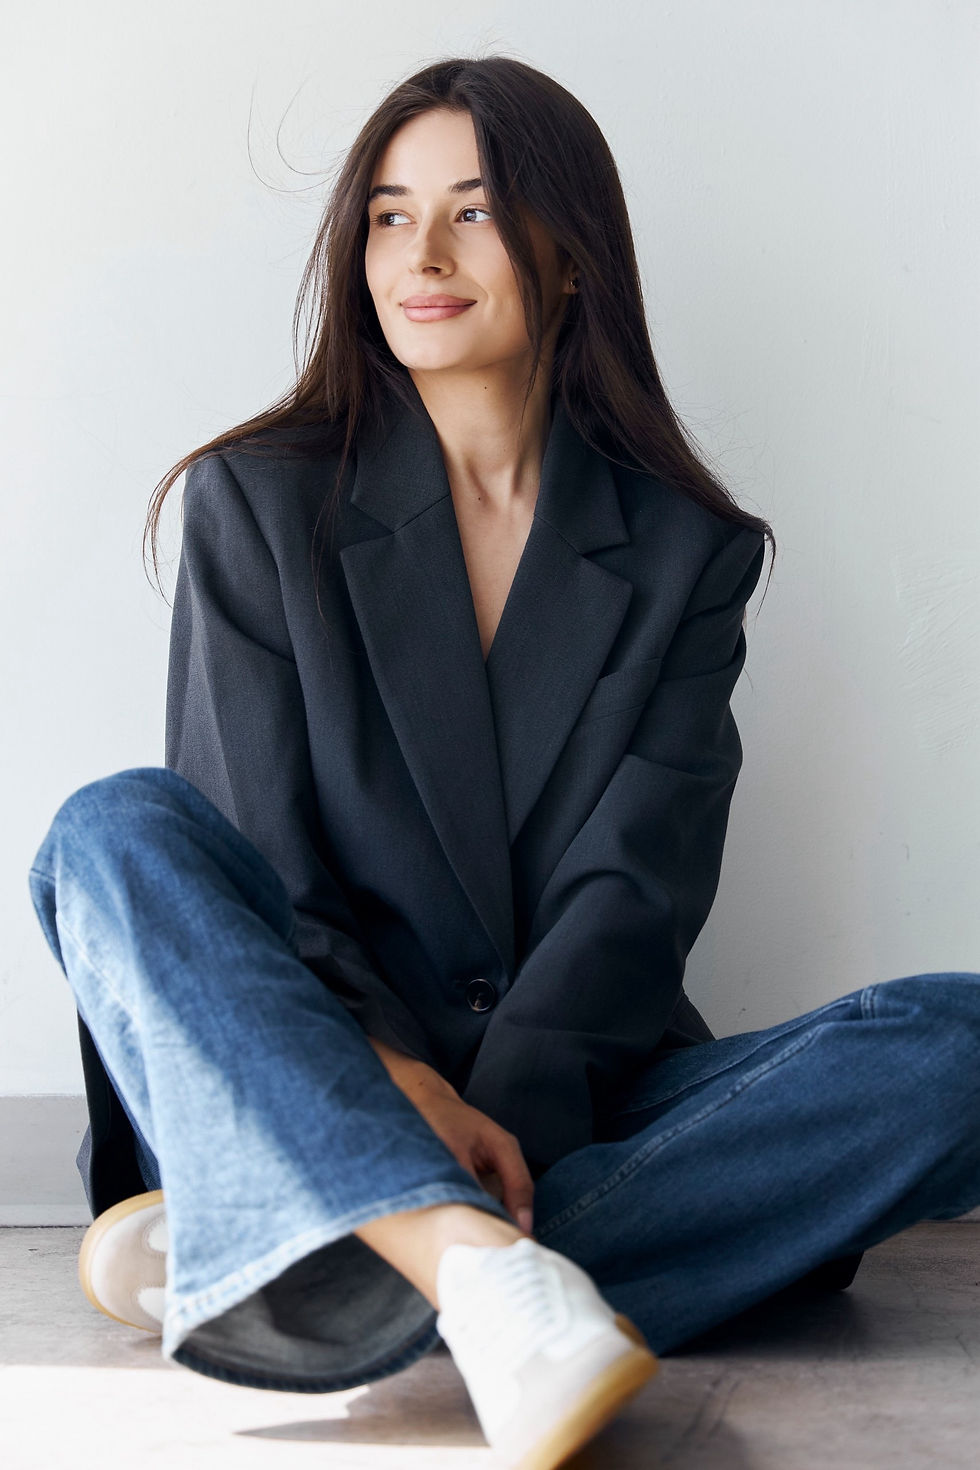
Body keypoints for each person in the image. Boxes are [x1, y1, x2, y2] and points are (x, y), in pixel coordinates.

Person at [28, 54, 980, 1470]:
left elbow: (634, 888)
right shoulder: (259, 500)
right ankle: (463, 1263)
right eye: (388, 215)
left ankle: (318, 1255)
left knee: (955, 1043)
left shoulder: (684, 552)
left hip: (572, 1097)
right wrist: (398, 1077)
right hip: (314, 1067)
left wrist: (506, 1102)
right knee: (113, 831)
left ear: (569, 252)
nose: (421, 253)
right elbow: (264, 869)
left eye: (473, 212)